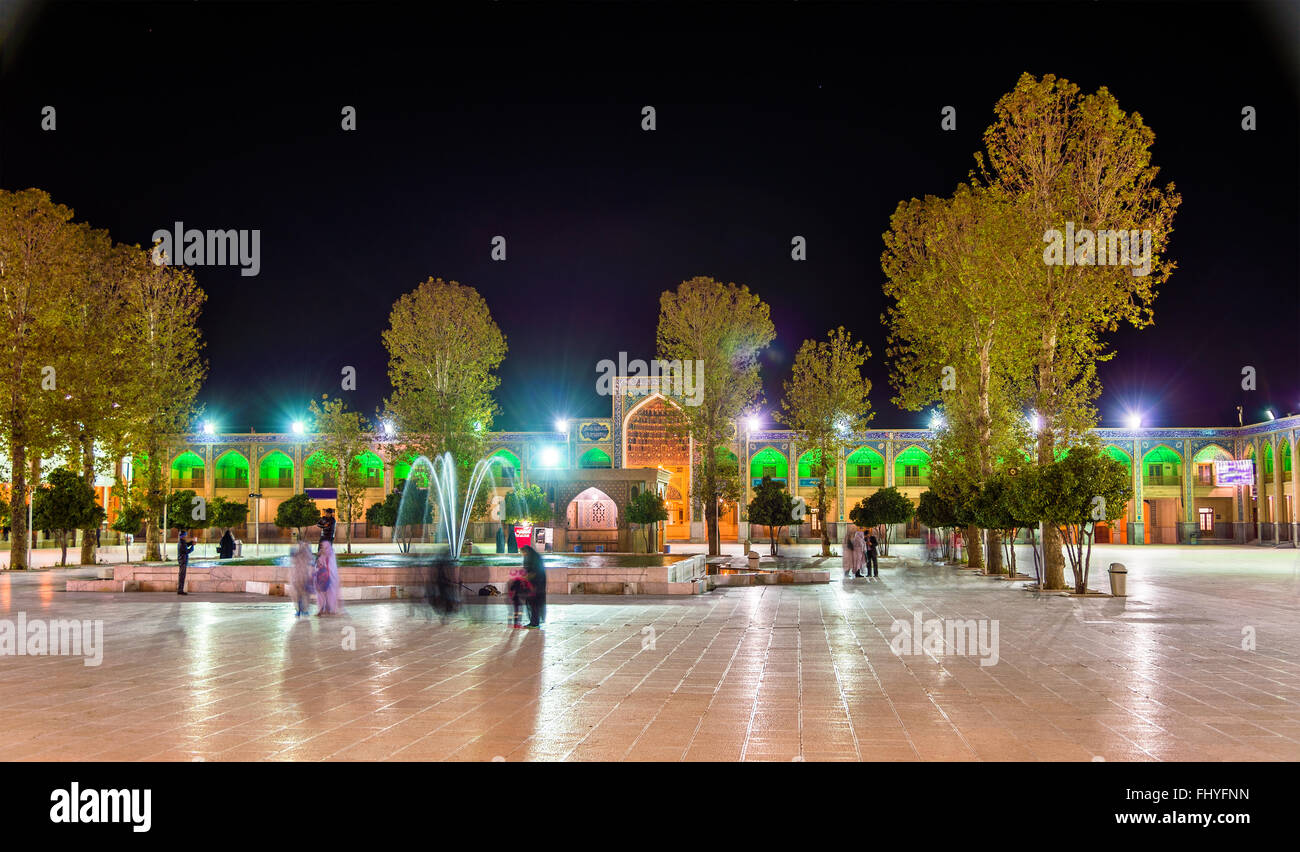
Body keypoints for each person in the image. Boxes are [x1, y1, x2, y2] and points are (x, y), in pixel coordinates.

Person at [521, 545, 546, 628]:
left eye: (524, 552)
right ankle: (534, 621)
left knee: (534, 604)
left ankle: (534, 622)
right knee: (533, 604)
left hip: (536, 585)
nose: (523, 554)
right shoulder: (533, 557)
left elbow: (535, 572)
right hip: (535, 585)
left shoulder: (533, 559)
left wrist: (528, 577)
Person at [314, 539, 342, 615]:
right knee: (321, 593)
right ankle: (322, 609)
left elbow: (330, 564)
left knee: (329, 594)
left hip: (330, 577)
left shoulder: (330, 552)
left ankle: (329, 609)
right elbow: (318, 564)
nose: (322, 547)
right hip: (323, 576)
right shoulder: (322, 554)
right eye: (322, 546)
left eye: (324, 546)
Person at [289, 540, 314, 616]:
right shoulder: (296, 554)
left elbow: (311, 562)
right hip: (298, 576)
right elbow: (293, 558)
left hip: (303, 576)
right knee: (299, 594)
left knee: (305, 594)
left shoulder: (306, 555)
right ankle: (300, 610)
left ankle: (303, 610)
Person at [176, 529, 195, 595]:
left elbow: (186, 544)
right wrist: (192, 547)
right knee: (182, 575)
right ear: (183, 536)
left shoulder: (181, 542)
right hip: (183, 561)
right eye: (185, 535)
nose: (186, 537)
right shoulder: (181, 543)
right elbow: (187, 551)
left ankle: (180, 589)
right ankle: (180, 590)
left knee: (182, 575)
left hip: (182, 560)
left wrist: (191, 543)